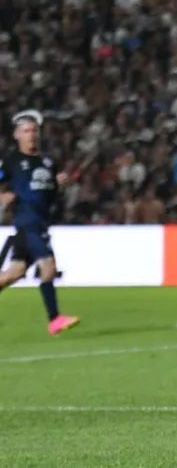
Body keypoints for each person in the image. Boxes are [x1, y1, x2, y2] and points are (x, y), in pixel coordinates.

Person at [0, 110, 78, 335]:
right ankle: (54, 319)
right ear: (17, 135)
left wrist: (58, 185)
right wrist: (3, 196)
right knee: (48, 267)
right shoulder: (11, 161)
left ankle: (55, 319)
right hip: (27, 222)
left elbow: (48, 195)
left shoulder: (48, 161)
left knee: (13, 273)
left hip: (40, 222)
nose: (31, 135)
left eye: (34, 131)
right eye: (26, 131)